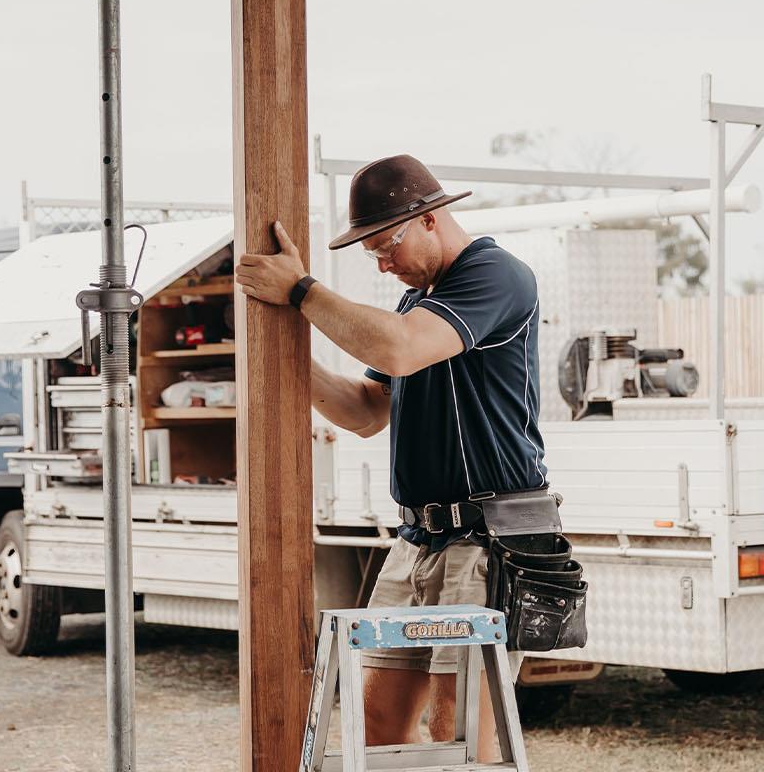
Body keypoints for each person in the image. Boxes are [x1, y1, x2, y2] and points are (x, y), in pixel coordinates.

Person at [235, 154, 548, 758]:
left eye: (385, 246)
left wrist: (301, 290)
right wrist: (278, 356)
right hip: (418, 541)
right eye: (370, 253)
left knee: (458, 734)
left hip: (486, 542)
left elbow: (400, 352)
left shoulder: (497, 276)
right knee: (375, 726)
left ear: (429, 218)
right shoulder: (416, 302)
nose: (381, 264)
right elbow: (365, 411)